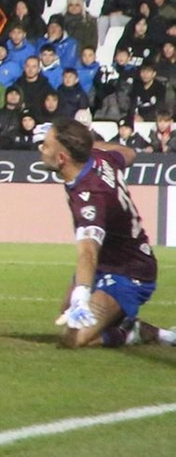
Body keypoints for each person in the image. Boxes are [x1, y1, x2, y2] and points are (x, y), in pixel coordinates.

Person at [36, 119, 174, 349]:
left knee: (74, 338)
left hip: (129, 271)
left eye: (47, 145)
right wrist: (88, 145)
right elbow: (129, 154)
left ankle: (131, 333)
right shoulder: (99, 158)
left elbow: (88, 251)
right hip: (109, 261)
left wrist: (81, 295)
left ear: (62, 158)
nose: (42, 149)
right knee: (66, 311)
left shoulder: (91, 196)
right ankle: (128, 323)